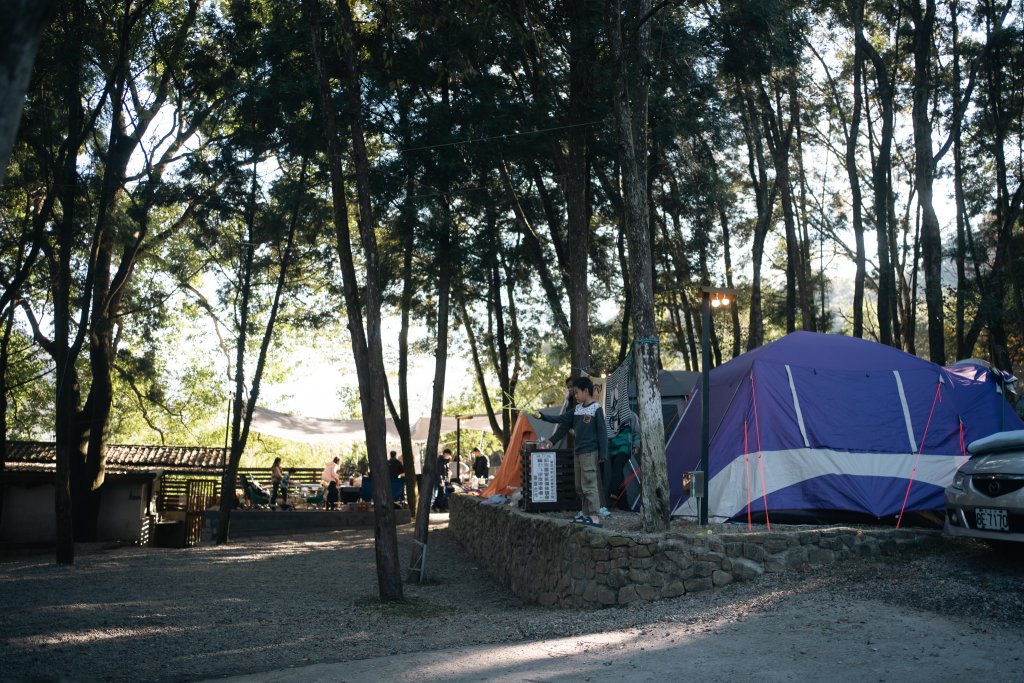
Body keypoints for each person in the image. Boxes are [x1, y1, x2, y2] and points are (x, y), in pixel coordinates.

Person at [536, 376, 608, 528]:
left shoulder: (596, 409)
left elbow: (602, 432)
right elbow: (561, 420)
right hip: (578, 451)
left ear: (586, 391)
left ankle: (595, 516)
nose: (574, 395)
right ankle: (586, 514)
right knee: (579, 486)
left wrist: (603, 454)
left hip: (590, 452)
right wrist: (542, 417)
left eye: (576, 392)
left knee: (589, 483)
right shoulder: (577, 409)